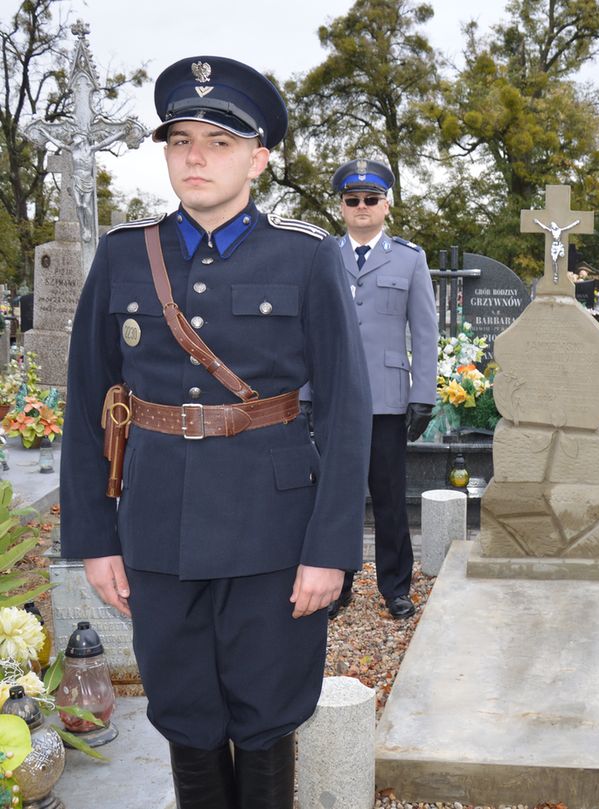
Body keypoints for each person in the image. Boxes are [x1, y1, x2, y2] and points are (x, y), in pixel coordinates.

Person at [59, 56, 372, 809]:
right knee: (183, 710)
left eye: (219, 142)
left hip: (274, 527)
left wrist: (329, 550)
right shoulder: (124, 253)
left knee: (268, 712)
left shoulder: (306, 255)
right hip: (157, 523)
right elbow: (89, 401)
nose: (194, 157)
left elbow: (346, 410)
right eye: (180, 141)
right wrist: (95, 539)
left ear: (258, 160)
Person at [327, 158, 437, 620]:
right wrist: (307, 395)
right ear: (342, 206)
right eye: (352, 199)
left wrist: (423, 395)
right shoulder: (322, 255)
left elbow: (425, 332)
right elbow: (307, 330)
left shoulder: (410, 259)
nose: (362, 206)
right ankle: (337, 585)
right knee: (336, 499)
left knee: (390, 499)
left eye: (371, 199)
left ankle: (395, 587)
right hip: (335, 397)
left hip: (387, 400)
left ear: (386, 205)